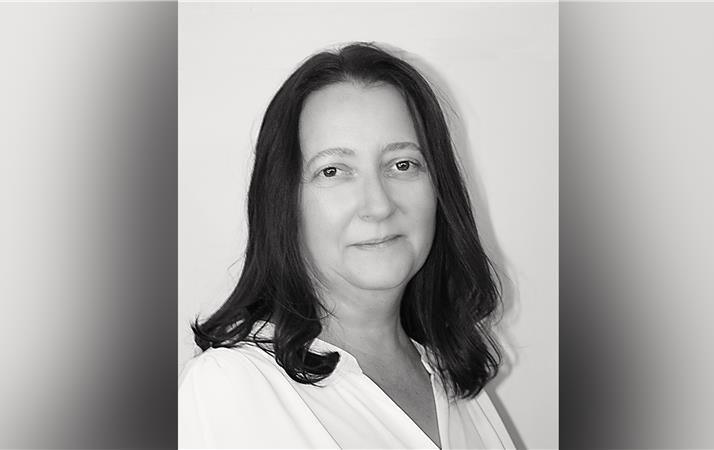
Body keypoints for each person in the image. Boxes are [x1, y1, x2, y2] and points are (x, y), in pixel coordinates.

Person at [179, 42, 516, 449]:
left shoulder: (457, 380)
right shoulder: (231, 388)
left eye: (403, 164)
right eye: (334, 170)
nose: (378, 204)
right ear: (284, 203)